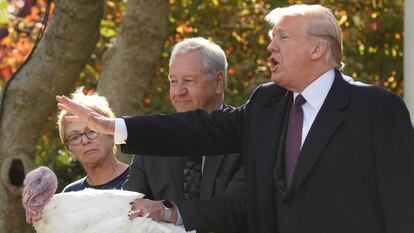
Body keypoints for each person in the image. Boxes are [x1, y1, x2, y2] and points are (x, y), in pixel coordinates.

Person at [56, 4, 414, 233]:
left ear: (318, 48)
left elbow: (402, 204)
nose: (270, 47)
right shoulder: (267, 103)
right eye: (271, 39)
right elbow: (198, 129)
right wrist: (113, 126)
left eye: (282, 38)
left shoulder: (376, 109)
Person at [123, 37, 246, 233]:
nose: (178, 92)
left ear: (218, 82)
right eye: (173, 81)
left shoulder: (247, 135)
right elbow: (129, 206)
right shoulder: (155, 140)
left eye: (189, 80)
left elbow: (237, 209)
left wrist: (167, 211)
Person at [57, 88, 129, 192]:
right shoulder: (70, 194)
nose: (85, 140)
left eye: (92, 131)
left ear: (112, 133)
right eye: (75, 137)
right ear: (69, 149)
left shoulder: (142, 183)